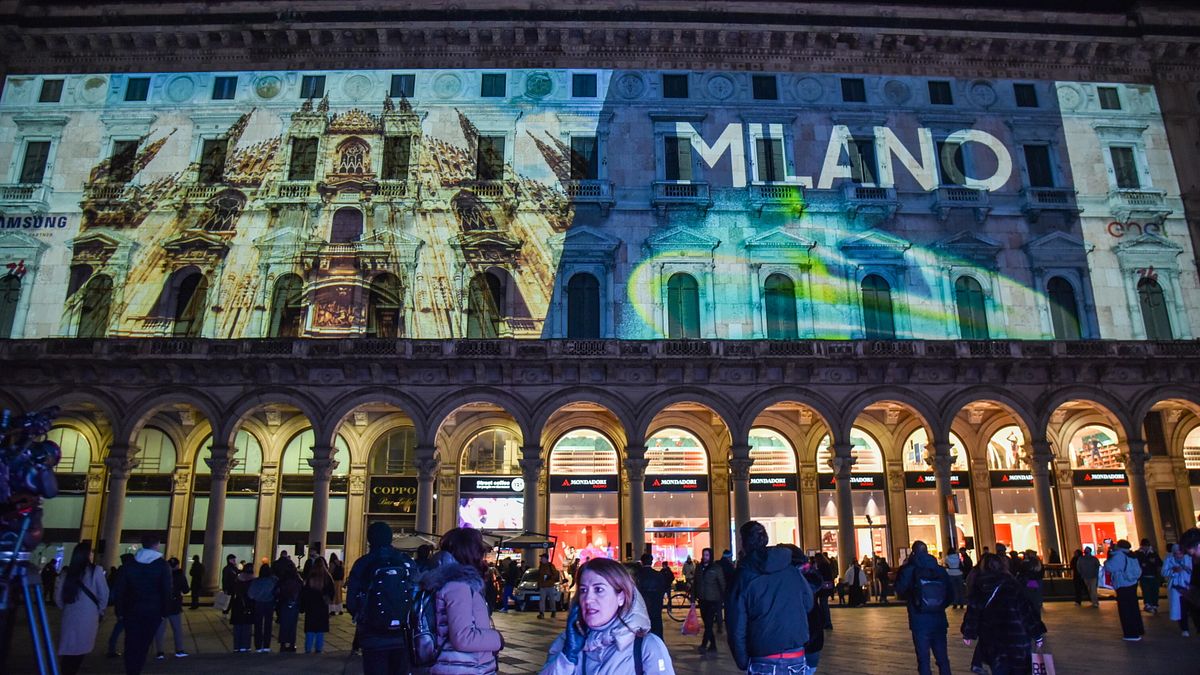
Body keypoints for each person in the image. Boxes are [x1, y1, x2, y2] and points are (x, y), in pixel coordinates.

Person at [539, 557, 675, 674]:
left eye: (599, 589)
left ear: (621, 597)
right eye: (583, 590)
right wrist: (567, 657)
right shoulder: (567, 642)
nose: (588, 598)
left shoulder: (647, 646)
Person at [726, 521, 813, 673]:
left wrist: (742, 661)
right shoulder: (790, 569)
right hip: (796, 653)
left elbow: (736, 625)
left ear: (743, 542)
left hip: (764, 655)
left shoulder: (743, 576)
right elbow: (808, 602)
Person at [420, 527, 504, 673]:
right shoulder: (458, 586)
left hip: (462, 665)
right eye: (479, 550)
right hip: (464, 667)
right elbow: (463, 637)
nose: (482, 555)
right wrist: (497, 639)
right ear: (470, 553)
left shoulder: (453, 583)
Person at [347, 521, 419, 675]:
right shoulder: (406, 561)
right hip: (403, 634)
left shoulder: (363, 563)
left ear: (369, 539)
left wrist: (361, 615)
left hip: (373, 635)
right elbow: (417, 594)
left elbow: (351, 602)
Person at [961, 553, 1047, 675]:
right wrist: (1037, 634)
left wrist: (968, 633)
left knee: (999, 669)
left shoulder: (979, 587)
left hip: (993, 640)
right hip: (1016, 638)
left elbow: (973, 613)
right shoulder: (1012, 584)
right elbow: (1026, 612)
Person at [113, 533, 172, 675]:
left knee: (131, 642)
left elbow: (120, 590)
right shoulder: (162, 565)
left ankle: (131, 670)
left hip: (131, 609)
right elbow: (166, 590)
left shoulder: (129, 565)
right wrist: (165, 612)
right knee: (144, 643)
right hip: (153, 610)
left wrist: (119, 611)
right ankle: (137, 668)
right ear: (157, 545)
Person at [895, 541, 953, 675]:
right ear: (927, 551)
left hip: (919, 619)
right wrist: (938, 605)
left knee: (923, 659)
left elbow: (900, 590)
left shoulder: (909, 569)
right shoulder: (939, 569)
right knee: (943, 658)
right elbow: (950, 594)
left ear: (913, 552)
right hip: (939, 619)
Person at [55, 541, 109, 675]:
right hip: (88, 615)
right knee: (80, 649)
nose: (91, 554)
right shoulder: (94, 571)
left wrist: (65, 608)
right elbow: (104, 593)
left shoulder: (67, 572)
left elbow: (58, 596)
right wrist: (100, 609)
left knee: (69, 648)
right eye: (90, 552)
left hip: (70, 614)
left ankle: (66, 671)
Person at [1103, 539, 1144, 641]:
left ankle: (1131, 633)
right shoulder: (1132, 554)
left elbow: (1109, 567)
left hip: (1123, 583)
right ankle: (1138, 629)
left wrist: (1108, 558)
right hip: (1132, 582)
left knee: (1125, 610)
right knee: (1133, 607)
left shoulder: (1119, 555)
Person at [152, 557, 190, 659]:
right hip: (175, 605)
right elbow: (186, 590)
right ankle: (179, 650)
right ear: (177, 565)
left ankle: (160, 652)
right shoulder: (180, 575)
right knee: (177, 629)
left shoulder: (161, 574)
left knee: (160, 629)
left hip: (162, 604)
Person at [691, 547, 726, 654]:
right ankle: (713, 645)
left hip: (713, 600)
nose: (705, 557)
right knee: (707, 623)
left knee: (709, 623)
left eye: (707, 555)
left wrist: (723, 598)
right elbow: (695, 583)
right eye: (704, 555)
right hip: (702, 599)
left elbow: (722, 584)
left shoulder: (716, 568)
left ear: (710, 556)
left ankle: (704, 644)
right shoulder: (698, 568)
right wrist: (693, 598)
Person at [105, 552, 135, 658]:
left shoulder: (120, 572)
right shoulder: (126, 572)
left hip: (123, 606)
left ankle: (113, 648)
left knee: (120, 628)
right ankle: (118, 649)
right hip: (127, 605)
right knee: (125, 628)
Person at [302, 558, 334, 653]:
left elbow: (305, 592)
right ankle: (319, 648)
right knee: (320, 629)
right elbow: (331, 592)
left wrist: (304, 605)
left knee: (310, 629)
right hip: (322, 606)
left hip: (311, 606)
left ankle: (308, 648)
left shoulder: (311, 576)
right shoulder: (327, 577)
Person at [1163, 543, 1196, 636]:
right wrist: (1173, 571)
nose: (1179, 555)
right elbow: (1164, 572)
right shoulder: (1169, 559)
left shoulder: (1188, 558)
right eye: (1176, 553)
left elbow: (1193, 571)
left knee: (1193, 608)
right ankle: (1184, 628)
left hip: (1188, 587)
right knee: (1181, 609)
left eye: (1180, 553)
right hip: (1176, 588)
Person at [634, 552, 669, 639]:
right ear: (651, 562)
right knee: (656, 628)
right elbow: (663, 588)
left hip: (642, 607)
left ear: (642, 562)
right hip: (656, 606)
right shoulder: (658, 575)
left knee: (641, 631)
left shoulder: (637, 576)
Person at [247, 563, 278, 652]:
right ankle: (266, 645)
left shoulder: (256, 581)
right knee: (268, 625)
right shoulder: (273, 581)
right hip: (269, 603)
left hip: (259, 603)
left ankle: (258, 645)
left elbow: (250, 594)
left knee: (258, 624)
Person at [228, 563, 255, 652]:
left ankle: (237, 646)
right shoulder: (252, 581)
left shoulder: (237, 579)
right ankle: (246, 646)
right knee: (247, 626)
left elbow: (232, 591)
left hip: (237, 604)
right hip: (248, 604)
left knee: (237, 626)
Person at [276, 565, 302, 653]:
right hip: (294, 603)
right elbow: (301, 591)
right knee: (292, 625)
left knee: (284, 624)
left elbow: (278, 591)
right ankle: (291, 643)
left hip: (284, 603)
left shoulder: (282, 580)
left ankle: (283, 644)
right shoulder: (297, 580)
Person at [1136, 539, 1163, 615]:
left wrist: (1154, 563)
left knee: (1154, 590)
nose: (1145, 547)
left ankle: (1154, 604)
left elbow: (1159, 563)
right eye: (1144, 546)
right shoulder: (1138, 553)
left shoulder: (1153, 553)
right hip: (1144, 575)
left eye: (1146, 546)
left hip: (1153, 575)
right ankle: (1148, 604)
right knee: (1146, 590)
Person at [1017, 550, 1044, 619]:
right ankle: (1036, 616)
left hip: (1028, 580)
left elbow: (1022, 571)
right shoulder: (1037, 562)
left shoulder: (1026, 562)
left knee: (1029, 598)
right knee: (1034, 599)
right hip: (1033, 580)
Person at [537, 552, 562, 619]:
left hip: (550, 585)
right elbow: (539, 576)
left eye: (542, 558)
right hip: (543, 586)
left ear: (546, 559)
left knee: (551, 599)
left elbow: (555, 574)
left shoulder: (551, 566)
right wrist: (538, 584)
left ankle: (553, 611)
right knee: (542, 600)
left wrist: (550, 577)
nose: (541, 559)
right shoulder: (541, 566)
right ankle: (541, 613)